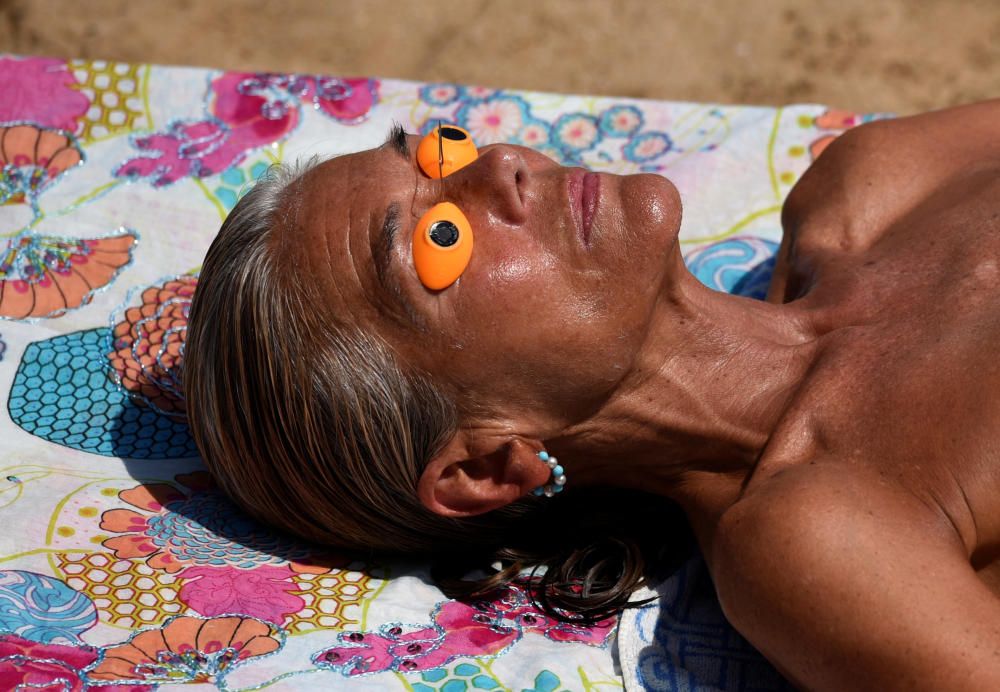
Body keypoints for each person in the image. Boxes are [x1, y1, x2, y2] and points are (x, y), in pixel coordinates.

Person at [184, 100, 1000, 689]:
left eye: (441, 153)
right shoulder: (815, 533)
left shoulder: (870, 185)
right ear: (486, 468)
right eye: (441, 240)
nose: (497, 166)